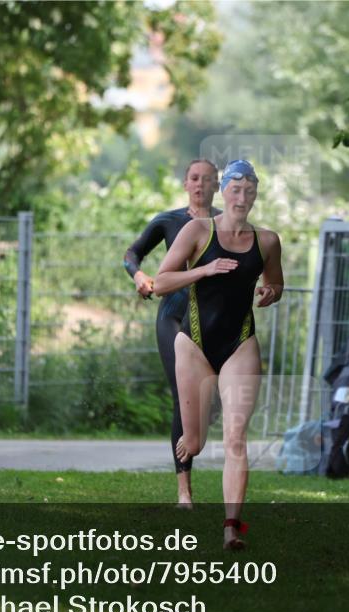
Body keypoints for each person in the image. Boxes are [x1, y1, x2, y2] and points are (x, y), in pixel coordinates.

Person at [153, 159, 284, 550]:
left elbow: (275, 281)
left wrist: (270, 292)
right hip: (193, 344)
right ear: (223, 192)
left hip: (240, 343)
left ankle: (231, 528)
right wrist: (203, 271)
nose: (242, 197)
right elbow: (160, 283)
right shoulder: (197, 231)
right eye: (235, 189)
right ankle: (190, 444)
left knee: (236, 439)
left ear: (256, 193)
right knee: (194, 444)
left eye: (249, 190)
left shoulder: (268, 241)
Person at [123, 159, 220, 508]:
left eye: (208, 180)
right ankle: (184, 491)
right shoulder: (168, 221)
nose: (200, 185)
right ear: (185, 183)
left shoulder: (227, 223)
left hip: (211, 320)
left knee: (209, 403)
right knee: (184, 395)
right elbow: (132, 253)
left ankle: (199, 427)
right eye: (195, 178)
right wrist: (139, 276)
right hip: (173, 318)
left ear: (217, 186)